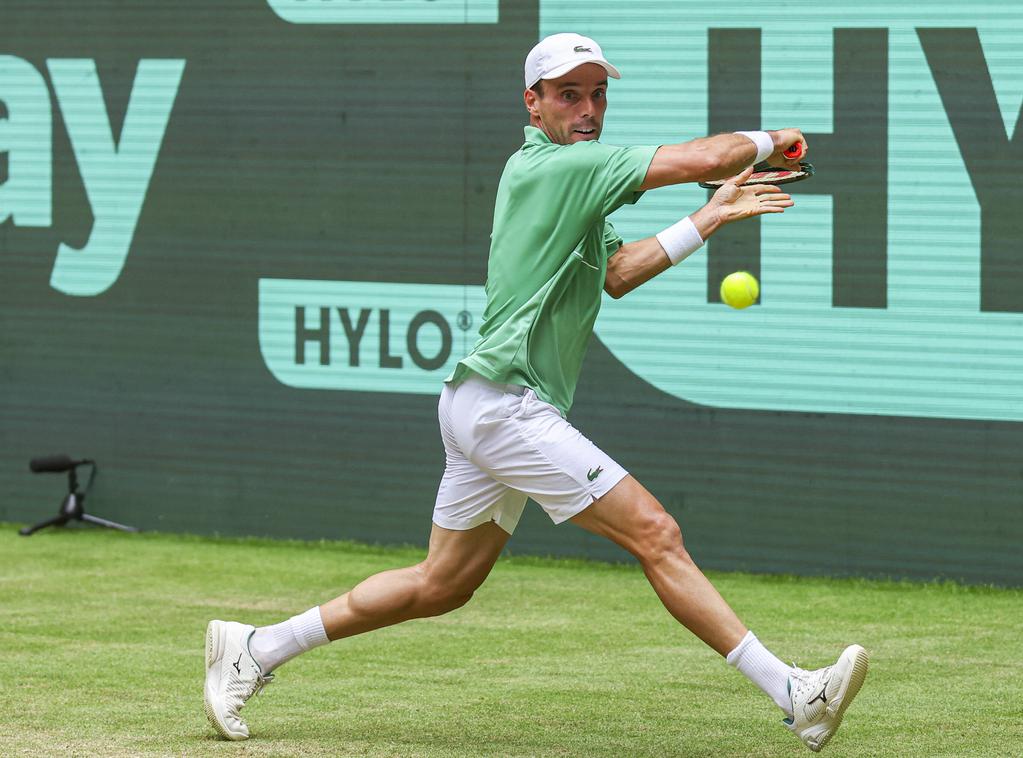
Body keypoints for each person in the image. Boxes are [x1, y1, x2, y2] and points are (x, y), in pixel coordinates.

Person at [205, 32, 868, 752]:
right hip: (505, 408)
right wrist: (774, 141)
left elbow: (615, 274)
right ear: (534, 103)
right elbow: (706, 160)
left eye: (597, 93)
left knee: (441, 585)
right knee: (656, 532)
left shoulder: (569, 177)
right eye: (567, 94)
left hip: (479, 405)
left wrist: (706, 218)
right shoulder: (561, 168)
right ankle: (796, 692)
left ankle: (256, 648)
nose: (587, 109)